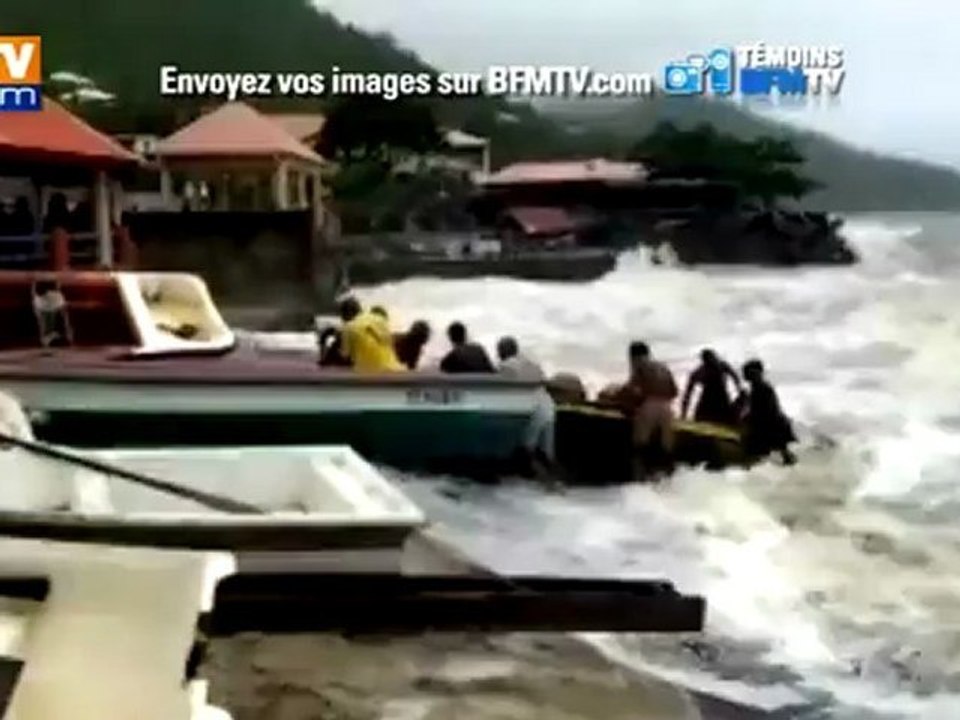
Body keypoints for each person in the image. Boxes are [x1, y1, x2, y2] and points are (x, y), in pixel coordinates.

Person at [618, 341, 679, 480]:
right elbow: (674, 392)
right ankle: (672, 484)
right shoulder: (663, 367)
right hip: (667, 409)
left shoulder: (640, 366)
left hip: (649, 406)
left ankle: (638, 484)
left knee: (639, 447)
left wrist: (617, 397)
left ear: (633, 356)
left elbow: (630, 389)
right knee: (667, 450)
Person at [739, 359, 797, 465]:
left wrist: (748, 418)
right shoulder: (756, 388)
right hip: (771, 422)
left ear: (759, 373)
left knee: (752, 448)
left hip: (771, 424)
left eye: (750, 373)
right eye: (746, 373)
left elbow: (768, 410)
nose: (747, 376)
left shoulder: (763, 388)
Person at [338, 297, 404, 372]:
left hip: (368, 373)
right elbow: (389, 341)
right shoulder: (379, 319)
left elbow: (345, 355)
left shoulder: (348, 327)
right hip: (394, 369)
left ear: (347, 314)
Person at [680, 348, 743, 425]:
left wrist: (740, 391)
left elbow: (735, 378)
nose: (714, 361)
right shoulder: (700, 371)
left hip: (720, 402)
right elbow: (688, 394)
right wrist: (683, 414)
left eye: (714, 359)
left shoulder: (721, 366)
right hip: (710, 404)